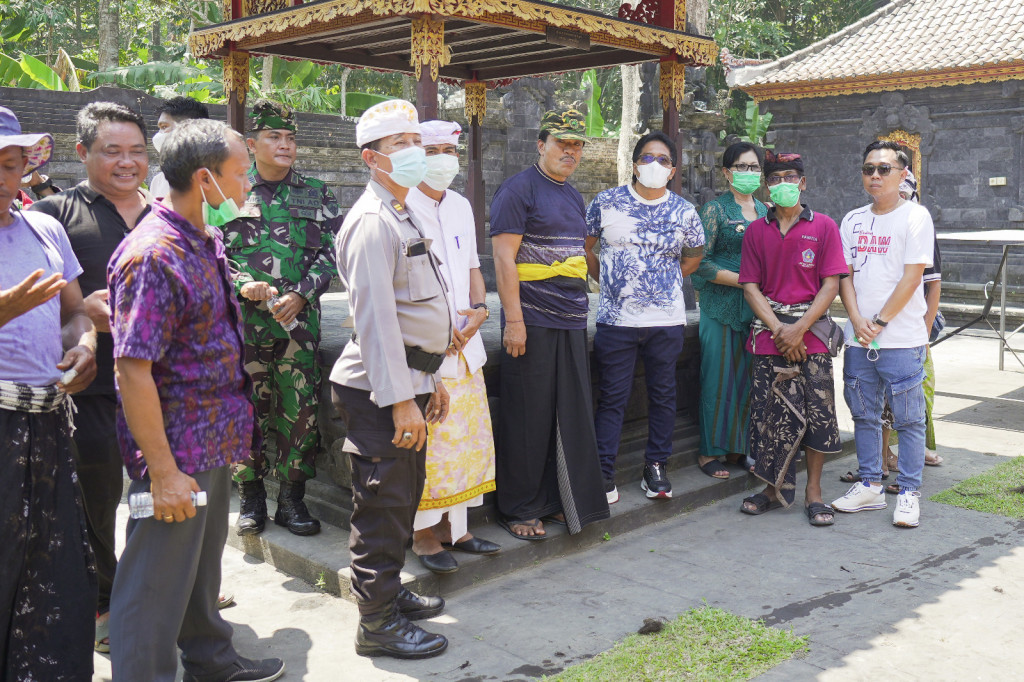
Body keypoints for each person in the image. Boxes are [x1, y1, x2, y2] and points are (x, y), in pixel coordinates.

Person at [106, 118, 285, 682]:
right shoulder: (154, 254)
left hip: (211, 436)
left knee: (198, 569)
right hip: (175, 449)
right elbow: (133, 371)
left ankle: (211, 661)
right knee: (153, 584)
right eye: (240, 173)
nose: (247, 185)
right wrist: (161, 473)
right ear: (205, 179)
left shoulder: (202, 238)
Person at [329, 99, 451, 659]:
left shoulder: (403, 210)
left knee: (402, 500)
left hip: (409, 381)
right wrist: (403, 400)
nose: (414, 153)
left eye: (415, 141)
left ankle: (389, 595)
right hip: (379, 390)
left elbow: (418, 311)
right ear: (371, 158)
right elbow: (376, 323)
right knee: (381, 505)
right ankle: (375, 624)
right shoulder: (373, 222)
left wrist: (433, 380)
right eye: (399, 145)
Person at [29, 100, 153, 653]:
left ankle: (159, 587)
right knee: (98, 499)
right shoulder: (54, 214)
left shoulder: (167, 212)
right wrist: (81, 316)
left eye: (136, 152)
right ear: (82, 153)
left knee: (164, 492)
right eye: (112, 152)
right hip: (94, 386)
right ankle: (106, 599)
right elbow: (35, 303)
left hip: (162, 385)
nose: (126, 163)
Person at [0, 106, 99, 680]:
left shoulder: (45, 228)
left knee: (54, 567)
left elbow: (73, 313)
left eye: (11, 165)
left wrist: (83, 347)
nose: (3, 177)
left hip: (46, 425)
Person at [222, 99, 342, 537]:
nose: (285, 145)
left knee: (300, 411)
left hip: (297, 327)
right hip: (244, 328)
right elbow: (211, 251)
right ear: (252, 144)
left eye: (290, 138)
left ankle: (292, 500)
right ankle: (251, 496)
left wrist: (301, 292)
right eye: (274, 137)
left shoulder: (315, 191)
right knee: (246, 410)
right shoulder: (227, 190)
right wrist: (240, 284)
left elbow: (329, 253)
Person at [490, 106, 610, 539]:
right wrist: (514, 320)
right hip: (533, 318)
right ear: (541, 145)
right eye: (562, 143)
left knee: (569, 410)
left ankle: (561, 499)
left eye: (577, 145)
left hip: (572, 317)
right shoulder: (518, 190)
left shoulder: (572, 195)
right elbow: (504, 258)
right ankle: (518, 507)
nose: (570, 152)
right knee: (528, 411)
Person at [584, 131, 705, 503]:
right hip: (616, 321)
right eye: (648, 158)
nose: (655, 165)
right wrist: (608, 279)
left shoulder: (684, 210)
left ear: (672, 170)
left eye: (664, 160)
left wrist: (664, 281)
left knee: (663, 394)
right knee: (613, 396)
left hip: (666, 319)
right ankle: (603, 472)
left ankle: (656, 467)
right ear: (635, 164)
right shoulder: (606, 202)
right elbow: (587, 247)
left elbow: (695, 255)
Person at [404, 119, 499, 574]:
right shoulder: (401, 206)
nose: (444, 159)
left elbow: (472, 267)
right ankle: (423, 534)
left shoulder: (461, 205)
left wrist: (480, 310)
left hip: (467, 345)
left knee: (465, 441)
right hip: (426, 347)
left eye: (450, 150)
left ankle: (456, 529)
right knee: (433, 443)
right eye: (433, 149)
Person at [737, 151, 847, 526]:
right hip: (770, 336)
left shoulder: (825, 227)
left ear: (802, 182)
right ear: (767, 186)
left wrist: (798, 328)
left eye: (790, 176)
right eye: (776, 177)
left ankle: (813, 492)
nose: (783, 182)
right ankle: (771, 488)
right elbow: (750, 287)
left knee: (819, 415)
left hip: (812, 335)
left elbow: (831, 284)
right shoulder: (755, 231)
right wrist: (779, 329)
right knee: (770, 415)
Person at [832, 141, 934, 529]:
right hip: (860, 338)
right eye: (869, 169)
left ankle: (908, 492)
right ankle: (870, 484)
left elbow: (913, 276)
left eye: (884, 169)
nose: (875, 175)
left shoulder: (915, 217)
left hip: (901, 338)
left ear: (903, 174)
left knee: (909, 420)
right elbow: (846, 275)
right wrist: (856, 319)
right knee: (864, 414)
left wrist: (880, 322)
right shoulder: (853, 219)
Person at [692, 141, 768, 480]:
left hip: (757, 308)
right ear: (727, 172)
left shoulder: (767, 212)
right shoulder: (714, 210)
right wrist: (743, 281)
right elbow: (700, 264)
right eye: (741, 167)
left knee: (749, 378)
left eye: (754, 167)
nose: (748, 173)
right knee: (718, 376)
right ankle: (710, 452)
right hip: (720, 304)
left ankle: (740, 448)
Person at [149, 96, 211, 199]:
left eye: (164, 127)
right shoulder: (158, 181)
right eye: (159, 128)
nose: (159, 134)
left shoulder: (212, 178)